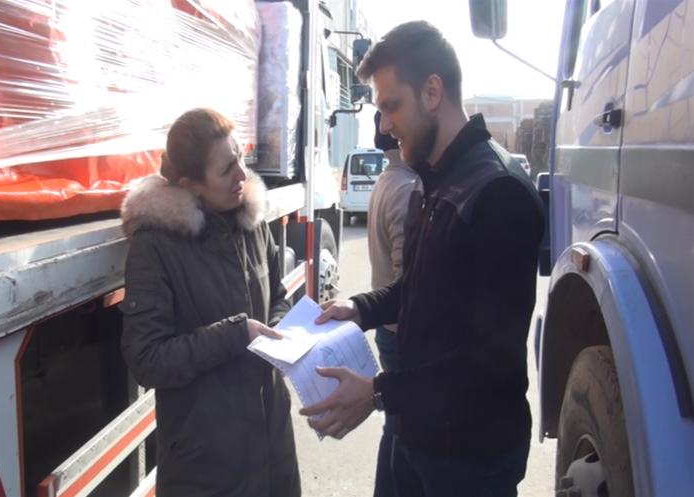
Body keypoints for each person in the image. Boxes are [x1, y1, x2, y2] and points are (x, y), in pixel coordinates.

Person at [299, 21, 544, 497]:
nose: (383, 126)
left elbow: (488, 362)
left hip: (470, 462)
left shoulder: (499, 193)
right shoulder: (432, 178)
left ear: (432, 92)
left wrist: (376, 392)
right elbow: (419, 289)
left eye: (391, 106)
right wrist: (359, 308)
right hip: (418, 436)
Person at [120, 108, 301, 497]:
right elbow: (147, 359)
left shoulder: (251, 222)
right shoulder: (155, 246)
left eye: (240, 159)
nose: (242, 176)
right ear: (191, 185)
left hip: (273, 448)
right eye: (226, 169)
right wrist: (235, 335)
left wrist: (279, 330)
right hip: (206, 466)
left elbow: (278, 296)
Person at [368, 110, 421, 497]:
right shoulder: (404, 188)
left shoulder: (388, 179)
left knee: (395, 427)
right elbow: (408, 278)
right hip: (400, 328)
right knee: (404, 433)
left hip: (387, 325)